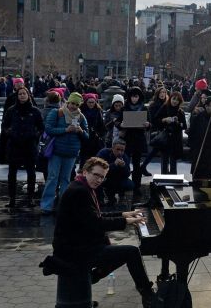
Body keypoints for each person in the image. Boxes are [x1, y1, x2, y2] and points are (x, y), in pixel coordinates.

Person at [51, 157, 155, 307]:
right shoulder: (79, 192)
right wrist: (125, 221)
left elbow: (93, 217)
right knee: (131, 252)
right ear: (85, 171)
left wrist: (123, 214)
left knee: (118, 252)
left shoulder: (81, 186)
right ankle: (148, 295)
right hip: (73, 250)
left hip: (76, 245)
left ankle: (88, 282)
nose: (99, 180)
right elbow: (97, 223)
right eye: (96, 175)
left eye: (102, 177)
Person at [41, 93, 89, 215]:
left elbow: (87, 136)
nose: (73, 106)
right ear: (68, 102)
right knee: (52, 178)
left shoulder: (81, 117)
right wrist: (65, 130)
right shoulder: (57, 112)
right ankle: (46, 206)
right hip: (56, 151)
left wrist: (80, 131)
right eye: (72, 103)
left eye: (77, 104)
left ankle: (64, 205)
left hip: (71, 153)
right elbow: (48, 129)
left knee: (66, 180)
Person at [1, 86, 44, 208]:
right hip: (14, 145)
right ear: (17, 96)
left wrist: (35, 135)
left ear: (28, 95)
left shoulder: (35, 111)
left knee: (31, 172)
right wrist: (9, 132)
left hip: (29, 145)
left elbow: (41, 127)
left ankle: (30, 198)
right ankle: (12, 198)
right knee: (12, 173)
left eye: (24, 94)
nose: (22, 96)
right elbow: (4, 125)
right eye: (20, 94)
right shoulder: (11, 110)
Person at [153, 91, 187, 174]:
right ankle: (164, 181)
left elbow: (184, 126)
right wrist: (164, 120)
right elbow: (155, 120)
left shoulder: (180, 112)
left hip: (175, 140)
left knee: (173, 162)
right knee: (164, 161)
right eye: (173, 99)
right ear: (170, 98)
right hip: (165, 138)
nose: (175, 101)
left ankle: (173, 180)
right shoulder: (164, 108)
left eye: (177, 100)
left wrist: (177, 123)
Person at [138, 87, 168, 177]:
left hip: (165, 130)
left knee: (157, 151)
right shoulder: (154, 105)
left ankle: (144, 166)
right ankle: (164, 172)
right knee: (156, 151)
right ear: (157, 94)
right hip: (157, 130)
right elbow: (153, 119)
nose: (162, 94)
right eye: (161, 92)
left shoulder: (167, 103)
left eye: (164, 92)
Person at [96, 140, 133, 206]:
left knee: (130, 184)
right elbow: (98, 169)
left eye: (122, 150)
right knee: (99, 181)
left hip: (116, 178)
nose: (120, 152)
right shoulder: (103, 153)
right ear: (112, 148)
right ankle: (101, 199)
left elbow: (127, 174)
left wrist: (123, 167)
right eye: (118, 149)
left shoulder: (125, 157)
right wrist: (114, 165)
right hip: (104, 177)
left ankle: (119, 194)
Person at [78, 93, 106, 170]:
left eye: (92, 102)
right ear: (86, 102)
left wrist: (100, 135)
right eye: (89, 102)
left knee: (95, 158)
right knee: (84, 157)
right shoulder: (81, 110)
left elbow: (101, 125)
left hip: (95, 137)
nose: (91, 104)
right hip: (84, 136)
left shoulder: (98, 111)